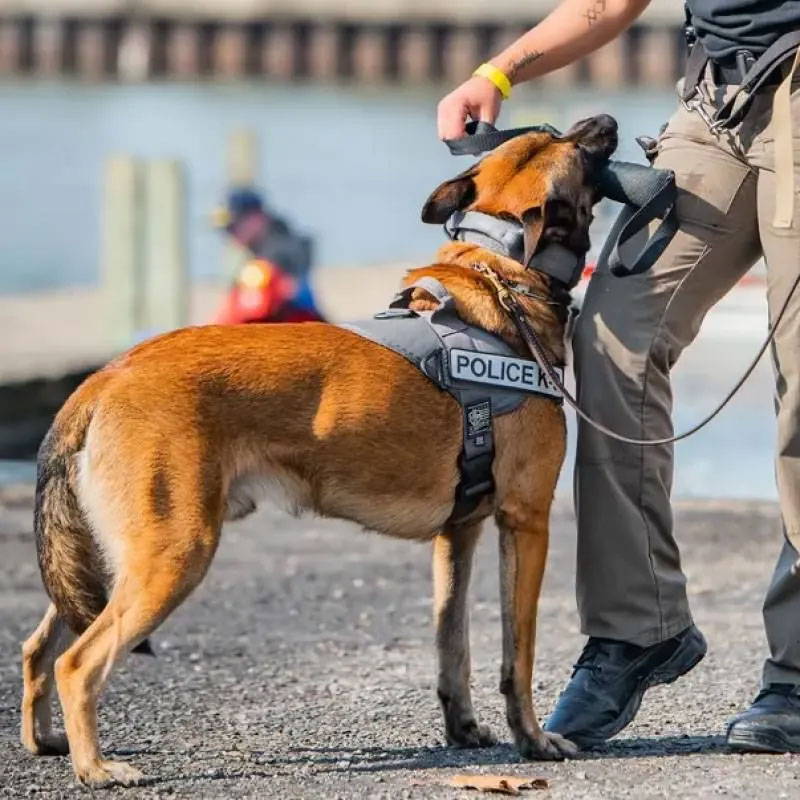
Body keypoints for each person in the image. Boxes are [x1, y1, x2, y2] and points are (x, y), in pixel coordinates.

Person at [437, 0, 800, 753]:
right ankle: (638, 629)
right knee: (610, 344)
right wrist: (498, 70)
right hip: (719, 103)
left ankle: (797, 672)